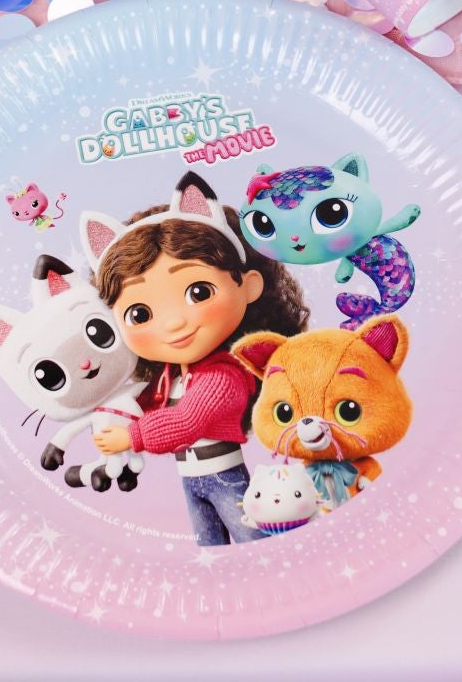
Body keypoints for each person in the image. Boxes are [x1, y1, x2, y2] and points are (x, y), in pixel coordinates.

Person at [87, 174, 307, 547]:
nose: (173, 323)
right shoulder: (168, 377)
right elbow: (143, 405)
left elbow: (188, 421)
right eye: (140, 314)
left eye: (198, 291)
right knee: (210, 549)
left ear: (249, 285)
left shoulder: (224, 376)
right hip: (190, 477)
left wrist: (132, 436)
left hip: (224, 476)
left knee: (254, 542)